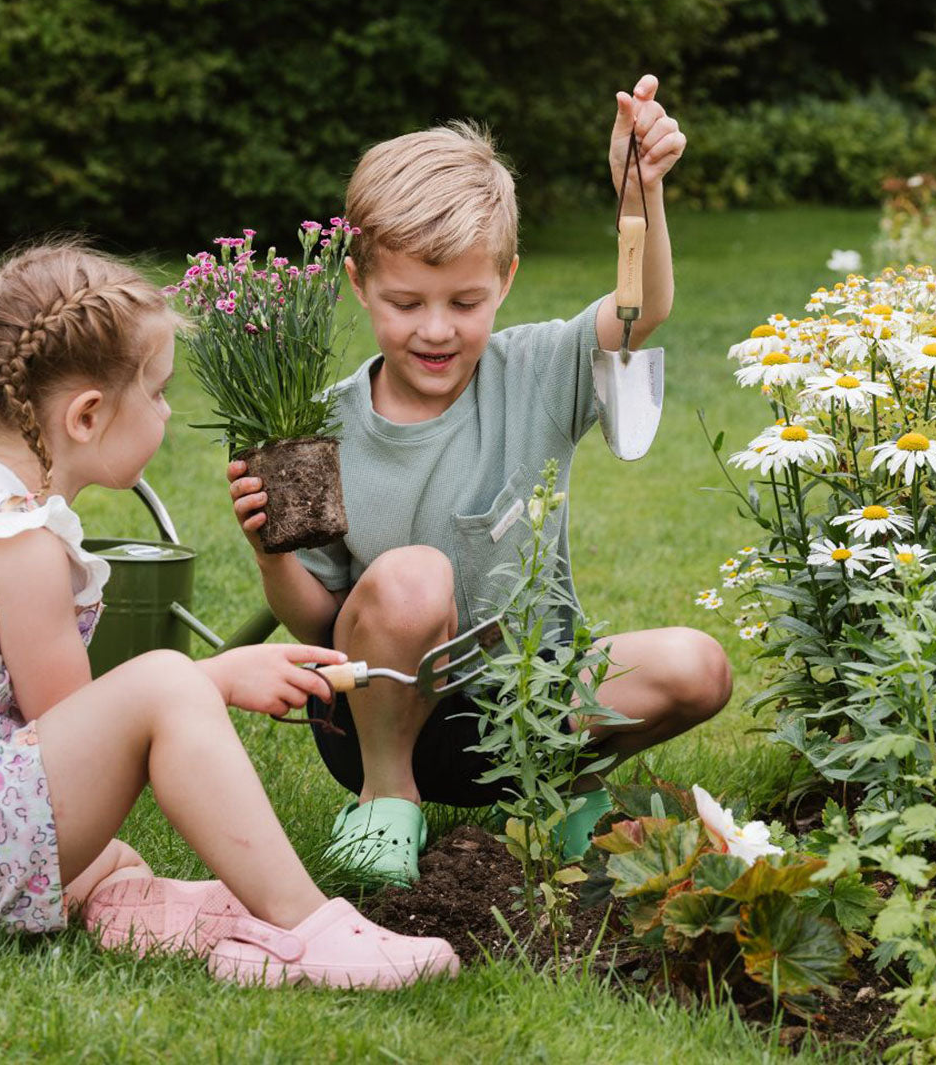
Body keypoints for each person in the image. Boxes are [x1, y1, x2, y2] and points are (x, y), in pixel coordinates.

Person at [0, 239, 458, 988]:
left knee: (116, 851)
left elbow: (40, 748)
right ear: (86, 416)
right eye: (159, 392)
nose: (167, 411)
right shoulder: (22, 547)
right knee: (166, 681)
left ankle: (132, 905)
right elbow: (74, 729)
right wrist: (214, 679)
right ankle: (309, 932)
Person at [227, 76, 733, 885]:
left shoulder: (535, 370)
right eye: (406, 303)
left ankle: (548, 793)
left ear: (506, 280)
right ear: (358, 284)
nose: (436, 329)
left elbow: (643, 307)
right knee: (412, 577)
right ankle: (386, 803)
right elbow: (318, 623)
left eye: (465, 301)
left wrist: (640, 198)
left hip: (528, 705)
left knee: (696, 666)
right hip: (380, 718)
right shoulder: (318, 427)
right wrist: (269, 554)